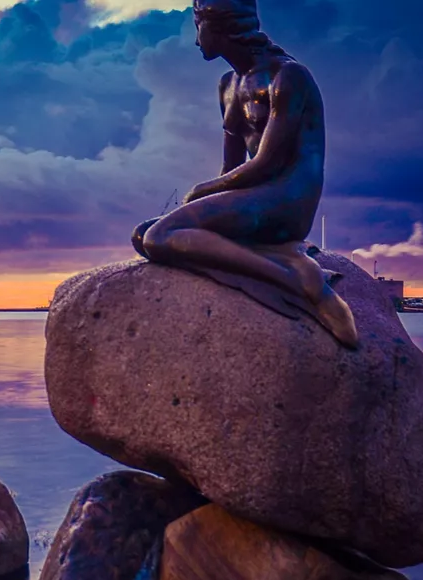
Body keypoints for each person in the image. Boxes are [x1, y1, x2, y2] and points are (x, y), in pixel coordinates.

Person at [131, 0, 358, 348]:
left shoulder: (288, 77)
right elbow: (231, 169)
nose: (196, 40)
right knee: (143, 235)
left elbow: (267, 162)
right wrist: (209, 197)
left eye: (198, 26)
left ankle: (299, 282)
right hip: (253, 200)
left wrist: (200, 192)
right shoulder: (228, 85)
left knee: (160, 236)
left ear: (222, 25)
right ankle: (281, 258)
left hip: (287, 200)